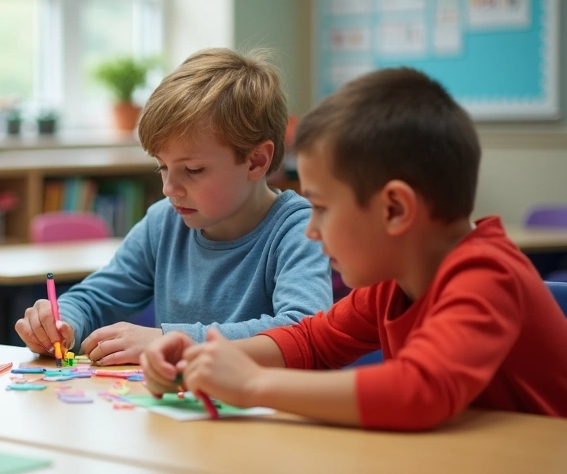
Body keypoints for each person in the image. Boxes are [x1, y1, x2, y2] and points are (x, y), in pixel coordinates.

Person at [140, 67, 567, 430]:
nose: (311, 231)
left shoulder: (486, 274)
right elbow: (310, 341)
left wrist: (252, 383)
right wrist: (199, 359)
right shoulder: (395, 283)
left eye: (322, 208)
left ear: (395, 209)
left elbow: (420, 391)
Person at [16, 48, 330, 365]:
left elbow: (303, 330)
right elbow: (97, 297)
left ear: (256, 161)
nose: (169, 188)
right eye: (162, 167)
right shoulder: (165, 221)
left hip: (267, 412)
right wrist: (62, 322)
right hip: (180, 410)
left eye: (192, 170)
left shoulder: (298, 228)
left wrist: (171, 340)